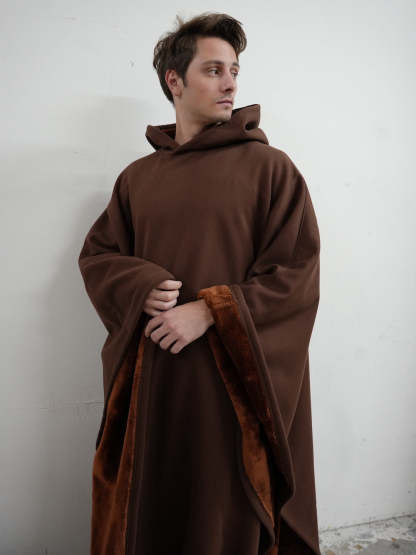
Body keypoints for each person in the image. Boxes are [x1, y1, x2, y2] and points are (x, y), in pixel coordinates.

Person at [78, 11, 321, 555]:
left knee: (220, 509)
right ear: (175, 80)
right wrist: (139, 284)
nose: (230, 83)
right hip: (157, 381)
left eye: (234, 70)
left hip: (231, 387)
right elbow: (98, 256)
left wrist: (212, 309)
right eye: (213, 70)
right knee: (158, 506)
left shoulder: (270, 169)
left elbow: (296, 275)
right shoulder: (137, 178)